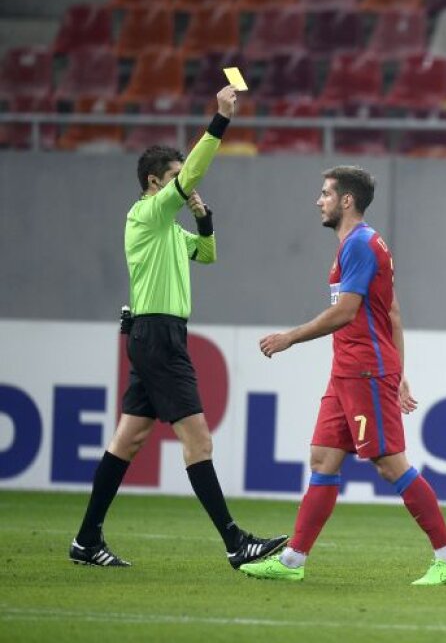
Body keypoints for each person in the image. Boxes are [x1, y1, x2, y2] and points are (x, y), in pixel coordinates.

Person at [69, 86, 287, 570]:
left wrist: (204, 220)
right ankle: (235, 542)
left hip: (155, 337)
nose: (182, 188)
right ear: (153, 183)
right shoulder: (146, 215)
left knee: (128, 441)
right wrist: (219, 121)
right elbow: (192, 172)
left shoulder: (168, 227)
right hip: (159, 337)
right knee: (199, 443)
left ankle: (86, 540)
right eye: (171, 181)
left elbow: (206, 255)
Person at [239, 166, 446, 586]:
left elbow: (346, 312)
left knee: (389, 465)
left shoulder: (361, 245)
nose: (318, 200)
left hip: (365, 369)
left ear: (347, 200)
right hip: (347, 370)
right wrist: (400, 372)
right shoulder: (357, 244)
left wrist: (291, 337)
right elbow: (392, 311)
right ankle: (292, 561)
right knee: (323, 459)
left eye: (325, 193)